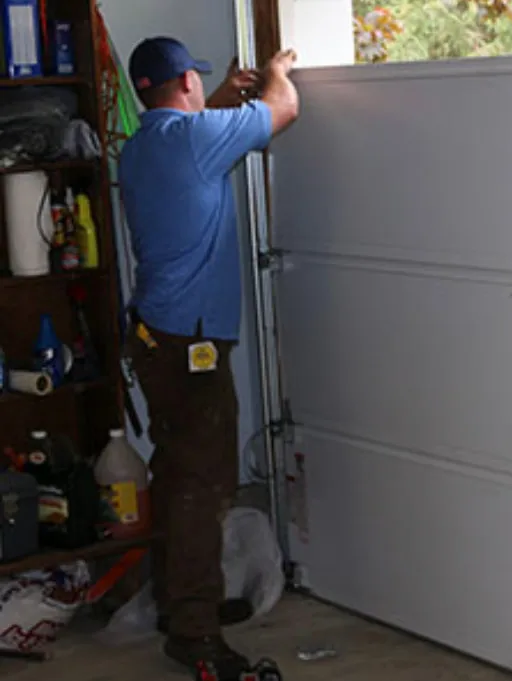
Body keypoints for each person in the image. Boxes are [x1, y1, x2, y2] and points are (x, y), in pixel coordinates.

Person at [118, 36, 300, 677]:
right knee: (202, 485)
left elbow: (196, 126)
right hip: (190, 344)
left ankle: (176, 602)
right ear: (186, 84)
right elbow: (284, 111)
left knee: (175, 472)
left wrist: (221, 95)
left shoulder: (143, 147)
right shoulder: (198, 142)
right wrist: (276, 73)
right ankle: (194, 633)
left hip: (154, 339)